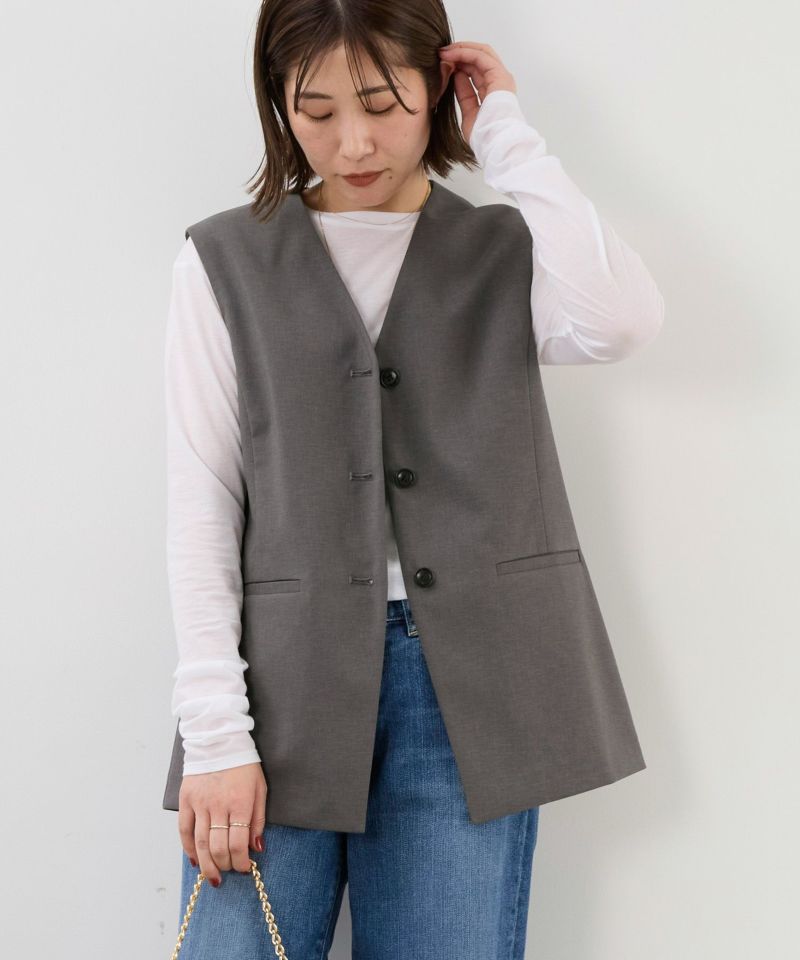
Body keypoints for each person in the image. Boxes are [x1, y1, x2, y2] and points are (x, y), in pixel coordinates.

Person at [163, 2, 664, 956]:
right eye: (315, 111)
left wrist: (505, 132)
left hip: (470, 688)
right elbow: (203, 501)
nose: (352, 142)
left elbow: (623, 320)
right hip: (276, 683)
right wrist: (217, 735)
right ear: (278, 103)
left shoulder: (509, 250)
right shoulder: (222, 260)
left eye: (383, 103)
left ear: (437, 85)